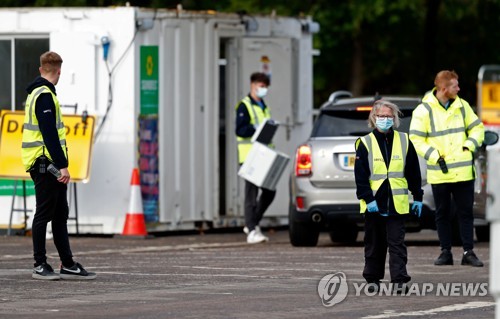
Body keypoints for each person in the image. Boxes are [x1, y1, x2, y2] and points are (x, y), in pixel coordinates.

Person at [22, 51, 96, 280]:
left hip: (46, 162)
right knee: (44, 213)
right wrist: (63, 165)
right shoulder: (44, 95)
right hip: (45, 163)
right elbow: (49, 134)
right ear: (59, 71)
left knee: (60, 213)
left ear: (41, 69)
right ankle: (40, 264)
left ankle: (67, 263)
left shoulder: (39, 93)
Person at [409, 70, 485, 267]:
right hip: (440, 172)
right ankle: (446, 252)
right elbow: (416, 138)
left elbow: (478, 128)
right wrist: (434, 156)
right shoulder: (423, 110)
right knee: (442, 213)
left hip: (463, 171)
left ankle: (468, 252)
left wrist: (469, 145)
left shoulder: (462, 106)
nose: (458, 89)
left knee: (465, 213)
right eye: (455, 86)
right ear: (444, 89)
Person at [354, 99, 423, 293]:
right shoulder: (365, 143)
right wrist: (369, 199)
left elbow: (413, 172)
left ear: (394, 118)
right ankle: (373, 279)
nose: (385, 119)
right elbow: (360, 177)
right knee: (374, 243)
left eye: (388, 116)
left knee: (397, 244)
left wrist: (417, 196)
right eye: (381, 116)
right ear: (373, 118)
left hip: (396, 202)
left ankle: (399, 280)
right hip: (374, 203)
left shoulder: (404, 140)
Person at [235, 72, 275, 244]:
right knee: (251, 193)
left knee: (270, 191)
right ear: (252, 84)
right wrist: (257, 129)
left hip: (263, 155)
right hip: (249, 155)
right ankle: (251, 231)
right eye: (260, 85)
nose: (263, 89)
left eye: (265, 86)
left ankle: (252, 222)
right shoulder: (244, 106)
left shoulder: (263, 106)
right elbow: (240, 130)